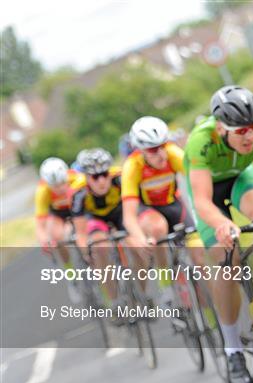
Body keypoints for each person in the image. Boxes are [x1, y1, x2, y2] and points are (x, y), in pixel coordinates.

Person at [184, 86, 253, 383]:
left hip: (240, 180)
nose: (249, 136)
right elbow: (201, 201)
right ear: (220, 128)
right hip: (209, 194)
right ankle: (233, 349)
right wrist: (221, 224)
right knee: (226, 259)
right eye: (241, 130)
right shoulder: (200, 142)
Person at [121, 116, 204, 305]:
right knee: (159, 228)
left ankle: (211, 323)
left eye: (162, 145)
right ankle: (165, 281)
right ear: (141, 150)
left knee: (200, 260)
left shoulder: (173, 154)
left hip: (174, 206)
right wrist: (140, 237)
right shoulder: (132, 167)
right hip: (148, 211)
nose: (161, 154)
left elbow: (199, 186)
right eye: (152, 150)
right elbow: (129, 216)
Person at [70, 148, 125, 308]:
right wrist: (86, 252)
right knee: (100, 247)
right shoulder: (78, 193)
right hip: (95, 219)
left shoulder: (120, 179)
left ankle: (142, 293)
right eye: (95, 176)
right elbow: (80, 233)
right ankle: (115, 301)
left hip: (118, 213)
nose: (101, 181)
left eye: (104, 174)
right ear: (86, 177)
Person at [34, 157, 85, 302]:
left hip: (77, 210)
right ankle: (71, 277)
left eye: (63, 183)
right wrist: (44, 241)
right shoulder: (42, 191)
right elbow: (40, 224)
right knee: (56, 237)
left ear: (66, 176)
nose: (60, 188)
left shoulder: (77, 178)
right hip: (58, 215)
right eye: (54, 186)